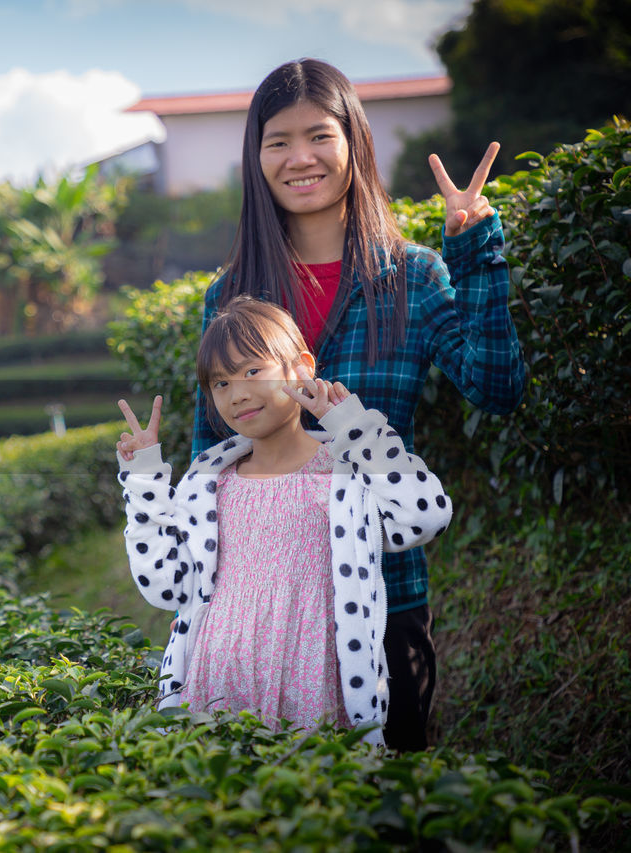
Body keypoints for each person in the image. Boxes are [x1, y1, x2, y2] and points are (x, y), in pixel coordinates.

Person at [189, 59, 525, 751]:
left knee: (390, 805)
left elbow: (497, 390)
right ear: (256, 158)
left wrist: (476, 251)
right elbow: (210, 456)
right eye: (277, 140)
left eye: (318, 135)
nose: (300, 158)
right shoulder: (228, 299)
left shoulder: (416, 275)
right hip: (257, 611)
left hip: (381, 600)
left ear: (354, 144)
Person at [117, 296, 453, 745]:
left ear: (301, 367)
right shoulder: (209, 486)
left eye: (253, 371)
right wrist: (143, 481)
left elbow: (426, 515)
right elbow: (165, 586)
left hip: (316, 685)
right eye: (220, 383)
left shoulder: (343, 474)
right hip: (217, 683)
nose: (237, 394)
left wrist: (353, 426)